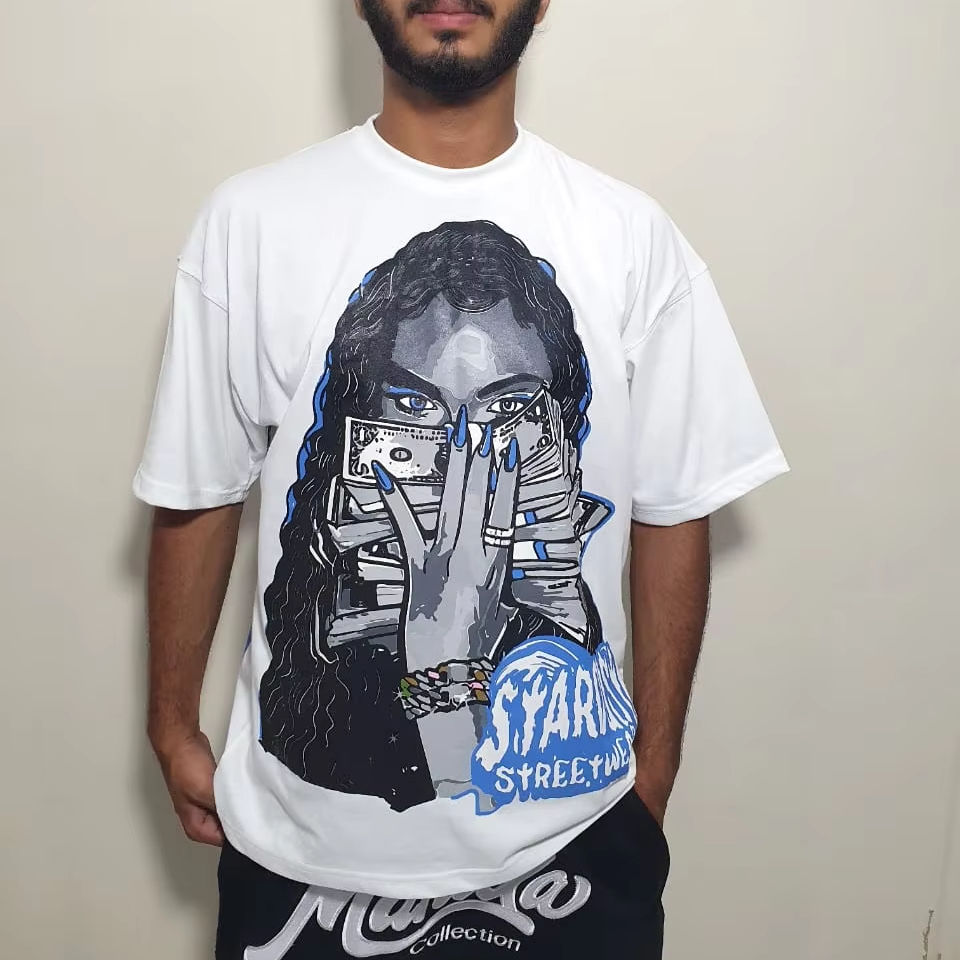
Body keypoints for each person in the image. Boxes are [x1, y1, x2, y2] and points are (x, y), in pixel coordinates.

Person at [133, 1, 789, 956]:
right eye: (411, 408)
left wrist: (648, 780)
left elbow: (673, 508)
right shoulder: (253, 222)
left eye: (508, 411)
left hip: (576, 844)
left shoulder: (630, 235)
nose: (458, 462)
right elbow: (200, 488)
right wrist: (169, 725)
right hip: (301, 852)